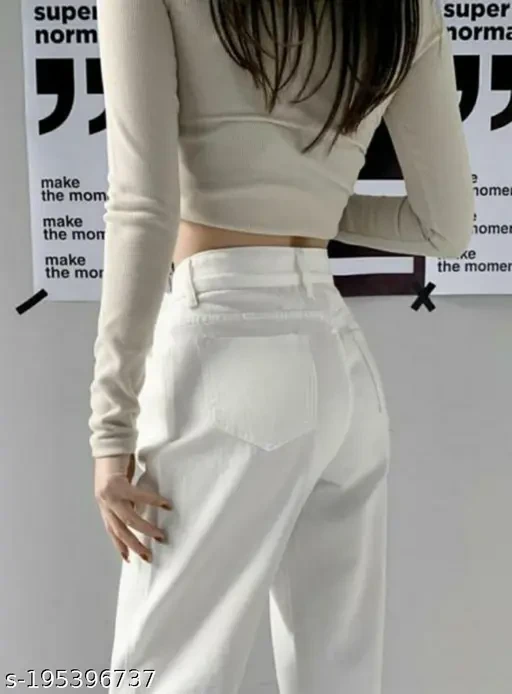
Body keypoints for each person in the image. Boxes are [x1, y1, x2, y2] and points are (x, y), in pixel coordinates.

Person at [90, 1, 474, 692]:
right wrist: (302, 204)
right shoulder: (408, 10)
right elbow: (445, 227)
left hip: (224, 343)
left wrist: (109, 427)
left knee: (164, 675)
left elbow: (143, 206)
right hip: (340, 366)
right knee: (338, 673)